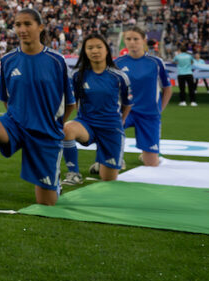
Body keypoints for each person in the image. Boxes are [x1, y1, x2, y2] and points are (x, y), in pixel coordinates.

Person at [0, 8, 74, 212]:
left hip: (45, 132)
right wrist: (17, 117)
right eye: (18, 24)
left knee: (46, 203)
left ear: (40, 27)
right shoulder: (8, 60)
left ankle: (54, 180)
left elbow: (70, 103)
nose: (22, 29)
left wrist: (56, 127)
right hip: (15, 125)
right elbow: (6, 99)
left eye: (27, 24)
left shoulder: (56, 61)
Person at [61, 34, 131, 185]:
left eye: (99, 47)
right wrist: (82, 115)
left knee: (108, 179)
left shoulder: (119, 76)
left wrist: (121, 121)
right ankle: (73, 174)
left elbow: (127, 103)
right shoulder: (77, 75)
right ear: (85, 51)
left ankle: (104, 161)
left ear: (106, 50)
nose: (95, 51)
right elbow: (73, 101)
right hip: (87, 124)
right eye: (90, 48)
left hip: (111, 128)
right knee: (67, 129)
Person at [114, 27, 171, 167]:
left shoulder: (156, 62)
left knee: (151, 165)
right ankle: (113, 157)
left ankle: (146, 155)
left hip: (148, 115)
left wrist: (159, 110)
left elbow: (167, 89)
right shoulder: (117, 63)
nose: (132, 42)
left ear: (144, 40)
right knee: (108, 130)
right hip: (125, 112)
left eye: (136, 39)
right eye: (128, 39)